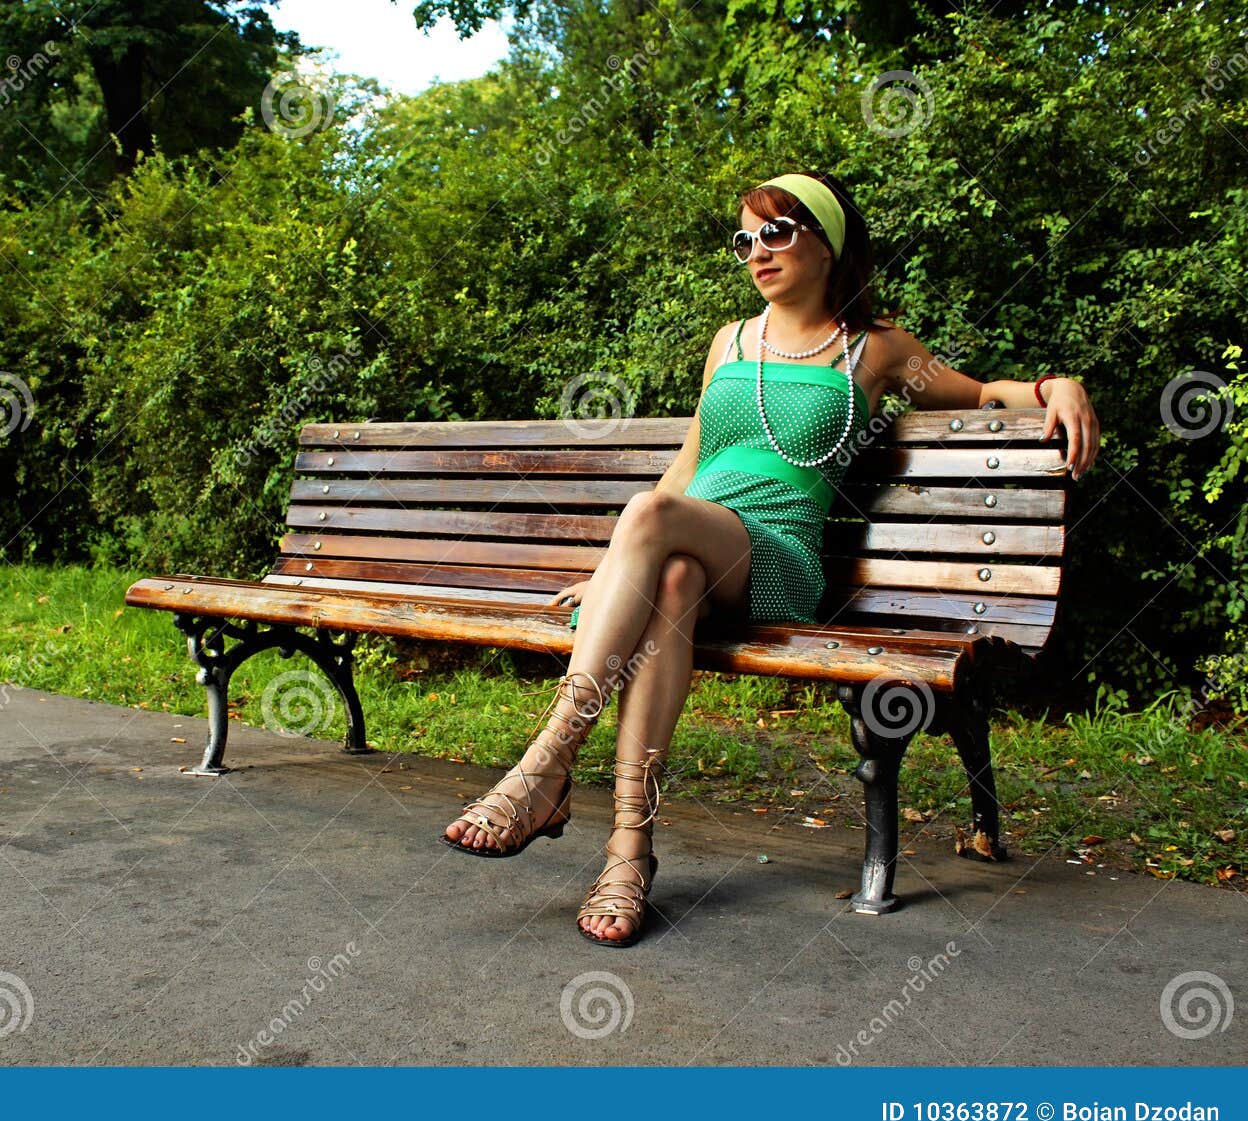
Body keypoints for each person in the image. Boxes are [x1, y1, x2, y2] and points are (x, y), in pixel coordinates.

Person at [440, 169, 1102, 947]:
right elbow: (689, 462)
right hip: (689, 547)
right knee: (674, 573)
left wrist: (1058, 385)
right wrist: (626, 562)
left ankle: (544, 767)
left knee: (656, 524)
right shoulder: (730, 339)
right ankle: (629, 849)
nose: (757, 251)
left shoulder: (875, 349)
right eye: (745, 238)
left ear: (829, 244)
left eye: (778, 232)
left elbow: (983, 391)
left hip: (777, 552)